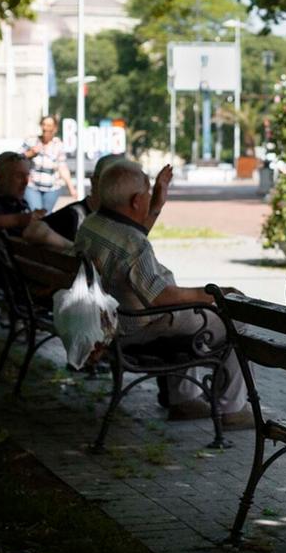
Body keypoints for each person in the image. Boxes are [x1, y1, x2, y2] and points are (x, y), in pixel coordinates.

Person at [75, 159, 250, 428]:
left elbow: (131, 236)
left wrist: (157, 202)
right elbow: (161, 298)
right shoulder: (133, 244)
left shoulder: (92, 224)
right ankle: (231, 408)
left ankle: (185, 399)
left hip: (110, 321)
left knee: (185, 314)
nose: (148, 199)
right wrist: (212, 294)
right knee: (233, 318)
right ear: (136, 201)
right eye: (146, 194)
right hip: (136, 328)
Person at [0, 152, 72, 251]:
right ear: (1, 178)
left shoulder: (18, 203)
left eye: (27, 175)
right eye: (19, 176)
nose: (26, 182)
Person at [43, 153, 126, 242]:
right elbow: (34, 230)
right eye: (110, 181)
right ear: (94, 182)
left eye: (124, 183)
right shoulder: (73, 215)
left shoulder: (128, 220)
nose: (117, 189)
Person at [21, 115, 77, 212]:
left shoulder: (59, 145)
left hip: (52, 188)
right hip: (32, 186)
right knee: (36, 213)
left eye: (49, 125)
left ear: (55, 128)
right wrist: (30, 153)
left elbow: (62, 167)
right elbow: (16, 158)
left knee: (47, 216)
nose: (46, 128)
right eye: (44, 125)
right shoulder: (31, 141)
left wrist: (71, 188)